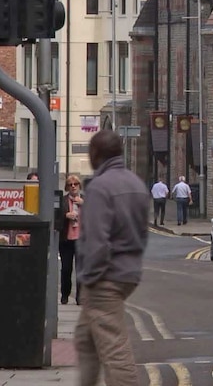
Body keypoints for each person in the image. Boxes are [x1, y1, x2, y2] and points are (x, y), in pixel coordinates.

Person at [74, 129, 150, 386]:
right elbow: (143, 233)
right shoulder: (136, 184)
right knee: (86, 340)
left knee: (115, 350)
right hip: (128, 273)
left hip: (104, 278)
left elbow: (97, 240)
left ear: (96, 154)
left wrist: (89, 277)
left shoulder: (99, 187)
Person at [59, 175, 84, 305]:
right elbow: (56, 217)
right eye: (70, 184)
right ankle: (64, 294)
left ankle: (80, 297)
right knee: (66, 269)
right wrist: (65, 215)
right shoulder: (63, 201)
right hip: (66, 240)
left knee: (81, 270)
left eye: (76, 184)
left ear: (79, 186)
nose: (73, 186)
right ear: (67, 187)